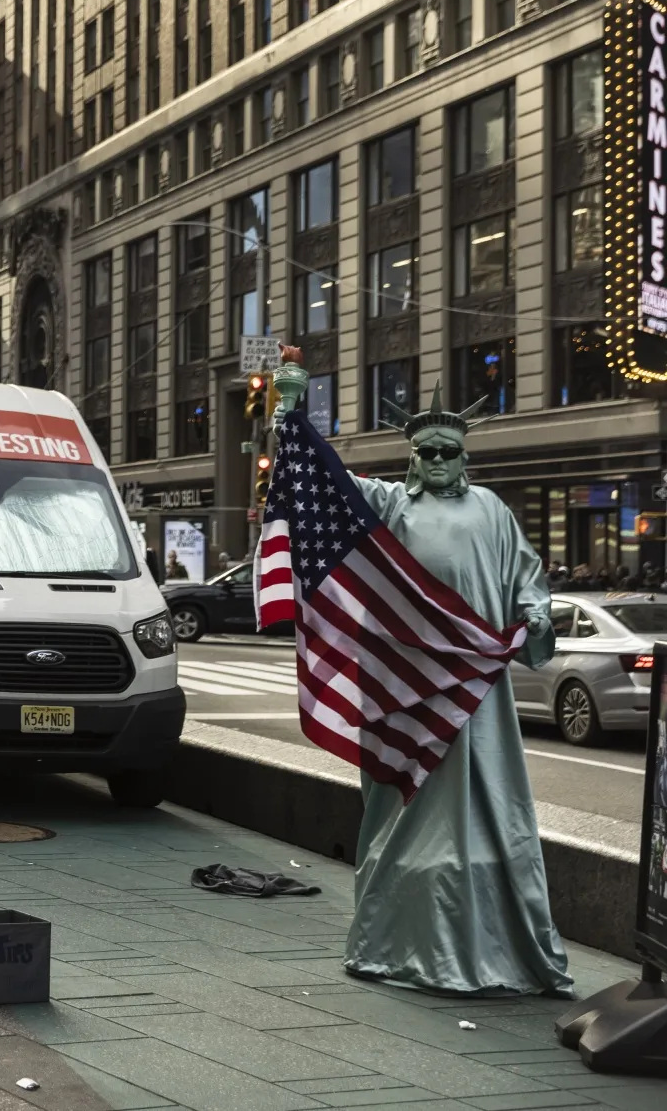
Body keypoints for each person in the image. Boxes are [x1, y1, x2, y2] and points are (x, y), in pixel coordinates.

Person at [274, 363, 570, 996]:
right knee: (399, 806)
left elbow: (526, 582)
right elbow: (323, 485)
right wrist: (292, 416)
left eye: (449, 451)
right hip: (403, 686)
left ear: (465, 457)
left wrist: (537, 614)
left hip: (478, 689)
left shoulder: (493, 511)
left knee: (489, 804)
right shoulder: (386, 504)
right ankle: (392, 939)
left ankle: (498, 943)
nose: (437, 459)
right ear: (412, 456)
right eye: (427, 451)